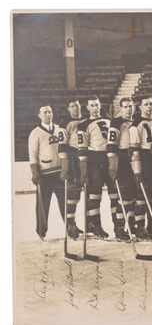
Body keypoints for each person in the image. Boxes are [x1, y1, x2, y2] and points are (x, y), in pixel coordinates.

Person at [77, 96, 114, 239]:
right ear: (87, 108)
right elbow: (82, 148)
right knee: (94, 196)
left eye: (97, 105)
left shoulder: (110, 122)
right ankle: (96, 225)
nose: (95, 108)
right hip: (94, 163)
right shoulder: (83, 125)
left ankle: (118, 226)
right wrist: (84, 169)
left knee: (115, 194)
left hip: (109, 160)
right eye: (92, 105)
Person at [28, 105, 65, 240]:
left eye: (50, 112)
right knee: (43, 205)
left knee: (65, 203)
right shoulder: (35, 133)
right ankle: (41, 232)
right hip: (44, 175)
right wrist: (35, 173)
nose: (48, 115)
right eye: (45, 113)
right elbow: (32, 154)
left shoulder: (59, 129)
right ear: (39, 115)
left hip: (60, 173)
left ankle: (70, 230)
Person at [129, 95, 152, 240]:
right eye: (146, 104)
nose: (149, 107)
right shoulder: (136, 124)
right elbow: (134, 149)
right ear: (140, 107)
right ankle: (140, 227)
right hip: (144, 158)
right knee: (142, 193)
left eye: (151, 104)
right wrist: (137, 170)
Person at [107, 97, 136, 241]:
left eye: (131, 106)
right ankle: (119, 227)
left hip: (135, 159)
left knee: (134, 195)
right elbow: (111, 144)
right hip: (122, 160)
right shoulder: (116, 122)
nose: (129, 109)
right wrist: (113, 164)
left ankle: (131, 225)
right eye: (126, 107)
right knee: (124, 195)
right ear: (121, 108)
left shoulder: (136, 122)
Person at [58, 98, 85, 239]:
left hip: (86, 156)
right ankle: (70, 224)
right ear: (68, 109)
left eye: (77, 105)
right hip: (74, 158)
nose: (76, 108)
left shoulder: (86, 121)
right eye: (73, 106)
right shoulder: (65, 124)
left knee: (86, 193)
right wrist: (66, 166)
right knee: (73, 193)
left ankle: (91, 223)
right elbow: (62, 146)